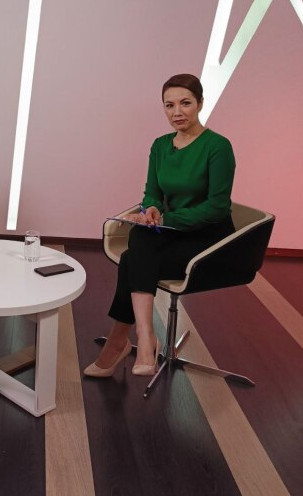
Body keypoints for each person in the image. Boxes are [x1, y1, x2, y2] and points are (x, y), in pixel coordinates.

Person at [84, 73, 235, 378]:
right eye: (169, 105)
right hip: (172, 233)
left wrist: (167, 219)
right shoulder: (160, 145)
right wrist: (152, 209)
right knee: (140, 236)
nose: (177, 112)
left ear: (200, 103)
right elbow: (152, 193)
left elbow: (217, 207)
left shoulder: (218, 146)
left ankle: (124, 342)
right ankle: (144, 337)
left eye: (185, 103)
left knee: (133, 259)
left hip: (209, 239)